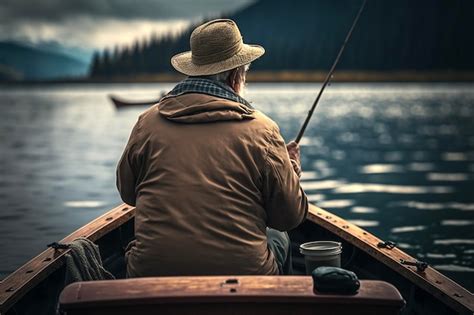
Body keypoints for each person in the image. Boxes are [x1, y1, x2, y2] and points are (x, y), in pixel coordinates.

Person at [117, 19, 308, 278]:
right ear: (236, 74)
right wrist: (291, 171)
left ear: (193, 70)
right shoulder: (264, 130)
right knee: (278, 235)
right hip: (247, 277)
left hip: (151, 276)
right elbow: (288, 217)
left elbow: (128, 194)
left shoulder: (147, 123)